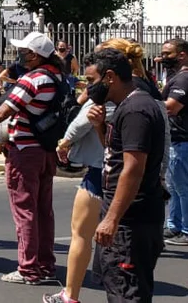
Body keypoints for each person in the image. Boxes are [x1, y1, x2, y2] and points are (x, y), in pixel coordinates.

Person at [43, 38, 151, 303]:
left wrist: (65, 142)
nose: (91, 84)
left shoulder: (120, 96)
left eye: (93, 76)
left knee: (82, 235)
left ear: (109, 71)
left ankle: (70, 295)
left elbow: (86, 122)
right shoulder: (146, 91)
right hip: (129, 180)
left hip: (105, 174)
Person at [0, 31, 62, 285]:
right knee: (42, 211)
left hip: (25, 151)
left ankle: (28, 268)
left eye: (24, 51)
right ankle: (45, 265)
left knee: (25, 210)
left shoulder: (33, 79)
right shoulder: (57, 77)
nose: (20, 55)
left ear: (35, 55)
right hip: (45, 149)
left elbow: (3, 112)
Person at [85, 49, 167, 303]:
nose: (88, 89)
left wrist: (112, 219)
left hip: (131, 223)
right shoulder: (126, 107)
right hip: (127, 221)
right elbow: (115, 157)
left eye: (91, 81)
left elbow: (133, 169)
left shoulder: (135, 111)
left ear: (109, 77)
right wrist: (100, 128)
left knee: (126, 293)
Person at [159, 37, 188, 246]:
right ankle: (174, 225)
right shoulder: (176, 76)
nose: (163, 57)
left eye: (167, 53)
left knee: (183, 187)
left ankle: (185, 229)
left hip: (182, 140)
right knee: (175, 186)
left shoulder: (183, 79)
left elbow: (171, 107)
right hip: (176, 140)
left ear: (182, 55)